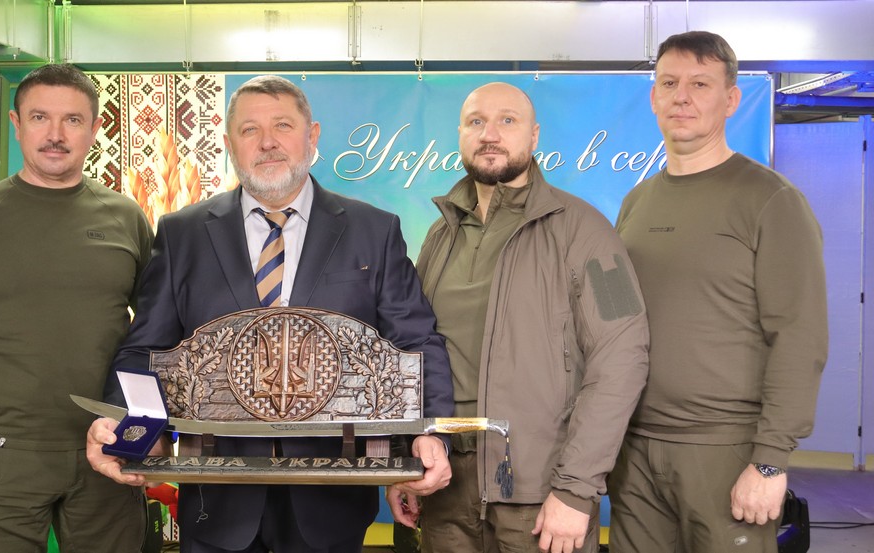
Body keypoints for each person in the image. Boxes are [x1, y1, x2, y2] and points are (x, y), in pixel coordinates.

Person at [86, 74, 455, 553]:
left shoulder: (373, 230)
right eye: (249, 130)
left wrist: (430, 433)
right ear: (229, 145)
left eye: (283, 125)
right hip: (216, 501)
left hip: (332, 503)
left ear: (312, 136)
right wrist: (131, 430)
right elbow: (146, 351)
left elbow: (415, 344)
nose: (267, 142)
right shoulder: (182, 234)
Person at [391, 81, 650, 553]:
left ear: (534, 136)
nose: (489, 134)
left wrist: (576, 488)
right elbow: (411, 357)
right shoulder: (439, 236)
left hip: (540, 493)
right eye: (476, 122)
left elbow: (624, 357)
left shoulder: (587, 231)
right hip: (444, 486)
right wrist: (403, 462)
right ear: (461, 135)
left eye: (507, 121)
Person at [0, 64, 154, 552]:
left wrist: (149, 433)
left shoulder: (125, 218)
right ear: (16, 124)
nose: (55, 134)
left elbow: (157, 336)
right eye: (40, 117)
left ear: (94, 128)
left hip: (106, 447)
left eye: (72, 120)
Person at [607, 31, 828, 553]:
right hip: (633, 449)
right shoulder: (636, 202)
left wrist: (770, 460)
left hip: (726, 450)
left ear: (730, 99)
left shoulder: (772, 201)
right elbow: (614, 316)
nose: (681, 97)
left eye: (700, 84)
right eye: (669, 84)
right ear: (654, 97)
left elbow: (799, 338)